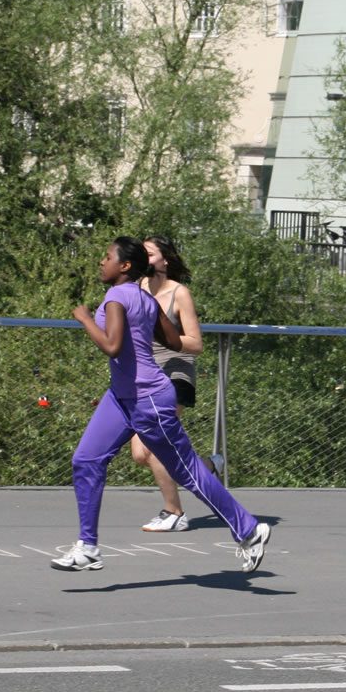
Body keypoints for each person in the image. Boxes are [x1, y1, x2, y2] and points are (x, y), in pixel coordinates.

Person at [57, 237, 271, 574]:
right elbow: (172, 341)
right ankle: (87, 547)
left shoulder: (116, 295)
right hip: (121, 397)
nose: (101, 261)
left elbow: (112, 347)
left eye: (107, 256)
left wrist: (84, 318)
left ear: (124, 266)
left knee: (187, 471)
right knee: (86, 459)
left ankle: (249, 529)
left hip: (147, 398)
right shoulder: (144, 298)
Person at [130, 236, 204, 533]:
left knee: (154, 446)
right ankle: (206, 469)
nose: (143, 259)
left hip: (175, 373)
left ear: (165, 260)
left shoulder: (179, 293)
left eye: (148, 254)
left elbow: (196, 344)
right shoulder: (135, 289)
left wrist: (164, 338)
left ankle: (174, 513)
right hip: (146, 375)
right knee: (139, 454)